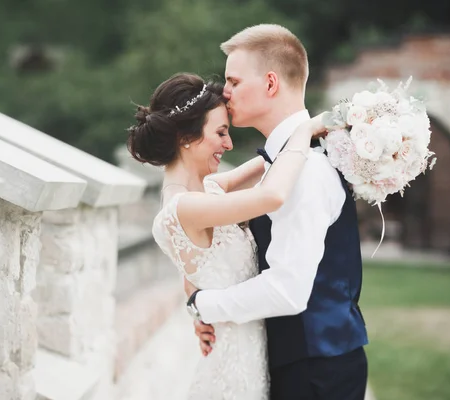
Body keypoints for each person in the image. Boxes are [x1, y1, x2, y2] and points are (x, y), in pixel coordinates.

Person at [187, 24, 369, 400]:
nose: (225, 92)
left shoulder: (305, 170)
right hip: (309, 362)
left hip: (316, 372)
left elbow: (288, 291)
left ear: (271, 84)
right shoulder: (288, 162)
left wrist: (203, 305)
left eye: (234, 81)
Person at [127, 72, 327, 399]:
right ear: (185, 138)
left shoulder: (207, 190)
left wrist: (197, 304)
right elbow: (272, 195)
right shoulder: (185, 207)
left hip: (249, 350)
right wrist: (304, 131)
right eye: (220, 133)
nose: (229, 144)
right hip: (235, 372)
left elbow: (267, 163)